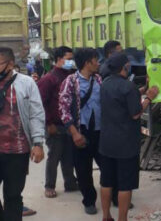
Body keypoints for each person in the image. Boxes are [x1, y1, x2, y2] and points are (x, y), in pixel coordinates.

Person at [99, 53, 159, 221]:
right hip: (125, 144)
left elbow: (121, 99)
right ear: (124, 67)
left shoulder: (105, 84)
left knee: (106, 181)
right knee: (125, 184)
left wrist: (142, 89)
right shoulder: (128, 86)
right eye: (128, 64)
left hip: (106, 142)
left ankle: (106, 216)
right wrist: (149, 97)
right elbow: (136, 113)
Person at [0, 47, 45, 221]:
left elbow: (36, 114)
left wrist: (38, 143)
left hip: (17, 151)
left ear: (10, 64)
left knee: (13, 195)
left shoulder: (26, 83)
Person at [59, 48, 102, 215]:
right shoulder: (70, 81)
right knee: (84, 171)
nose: (98, 64)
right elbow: (63, 110)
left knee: (107, 165)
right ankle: (89, 201)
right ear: (87, 63)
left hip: (99, 131)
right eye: (95, 60)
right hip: (80, 132)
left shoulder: (98, 80)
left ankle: (113, 195)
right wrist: (75, 133)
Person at [38, 46, 79, 198]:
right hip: (54, 124)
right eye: (69, 59)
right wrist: (48, 124)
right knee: (54, 156)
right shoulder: (49, 79)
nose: (71, 62)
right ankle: (49, 186)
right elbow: (40, 103)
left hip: (68, 124)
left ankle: (70, 182)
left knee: (68, 155)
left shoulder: (71, 76)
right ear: (58, 60)